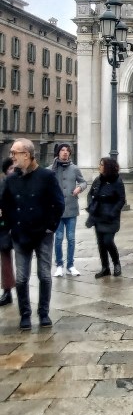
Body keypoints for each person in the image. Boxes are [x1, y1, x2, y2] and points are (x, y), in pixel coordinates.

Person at [0, 139, 64, 330]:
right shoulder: (10, 180)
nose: (12, 157)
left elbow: (58, 203)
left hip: (43, 234)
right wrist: (10, 227)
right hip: (20, 235)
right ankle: (25, 314)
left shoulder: (46, 176)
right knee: (21, 278)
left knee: (44, 275)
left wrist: (50, 227)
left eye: (14, 153)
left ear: (26, 155)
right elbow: (3, 204)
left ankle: (43, 313)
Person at [51, 143, 87, 278]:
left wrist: (80, 188)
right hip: (57, 210)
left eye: (67, 150)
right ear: (58, 153)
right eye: (62, 150)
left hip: (71, 208)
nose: (65, 152)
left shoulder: (74, 168)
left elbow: (83, 182)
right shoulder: (51, 169)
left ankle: (70, 265)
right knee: (59, 238)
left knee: (71, 238)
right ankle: (59, 265)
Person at [87, 157, 126, 278]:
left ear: (107, 167)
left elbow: (121, 199)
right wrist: (91, 206)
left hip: (110, 217)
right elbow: (90, 194)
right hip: (98, 215)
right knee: (101, 243)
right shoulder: (98, 180)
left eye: (102, 164)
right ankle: (105, 267)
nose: (99, 166)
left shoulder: (117, 181)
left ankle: (116, 263)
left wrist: (113, 212)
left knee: (108, 241)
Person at [0, 158, 16, 306]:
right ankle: (7, 291)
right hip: (5, 227)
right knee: (5, 260)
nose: (13, 171)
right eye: (10, 168)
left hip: (23, 227)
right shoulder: (3, 184)